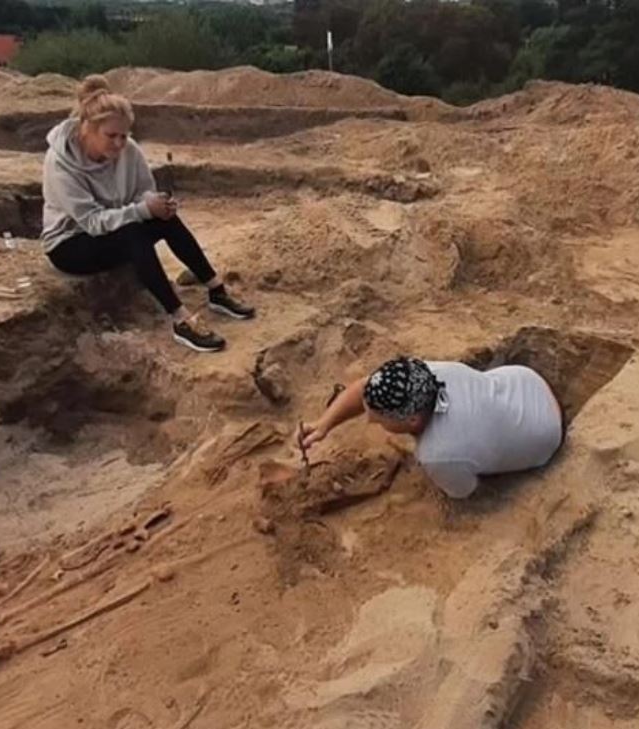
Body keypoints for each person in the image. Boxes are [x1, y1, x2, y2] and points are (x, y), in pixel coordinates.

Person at [41, 75, 255, 353]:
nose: (119, 144)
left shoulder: (128, 150)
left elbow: (143, 190)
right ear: (87, 129)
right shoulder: (60, 164)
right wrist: (142, 210)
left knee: (163, 217)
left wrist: (156, 203)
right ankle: (180, 319)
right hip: (71, 244)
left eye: (124, 135)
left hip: (113, 228)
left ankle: (216, 289)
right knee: (132, 233)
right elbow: (93, 222)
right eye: (111, 136)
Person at [301, 357, 564, 499]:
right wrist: (323, 424)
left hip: (545, 436)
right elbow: (364, 386)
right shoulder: (429, 373)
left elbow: (468, 492)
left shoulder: (439, 454)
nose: (370, 421)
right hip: (527, 384)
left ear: (413, 420)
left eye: (380, 419)